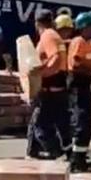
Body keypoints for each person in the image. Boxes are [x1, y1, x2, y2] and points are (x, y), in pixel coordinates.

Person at [26, 9, 68, 159]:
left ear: (37, 23)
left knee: (41, 126)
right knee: (36, 121)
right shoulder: (53, 35)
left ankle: (56, 152)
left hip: (50, 88)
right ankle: (32, 152)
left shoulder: (48, 36)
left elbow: (55, 59)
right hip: (54, 87)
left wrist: (41, 75)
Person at [66, 12, 91, 171]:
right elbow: (76, 64)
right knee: (82, 121)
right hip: (78, 83)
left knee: (88, 122)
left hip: (85, 83)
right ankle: (76, 160)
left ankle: (81, 156)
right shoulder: (78, 42)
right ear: (84, 28)